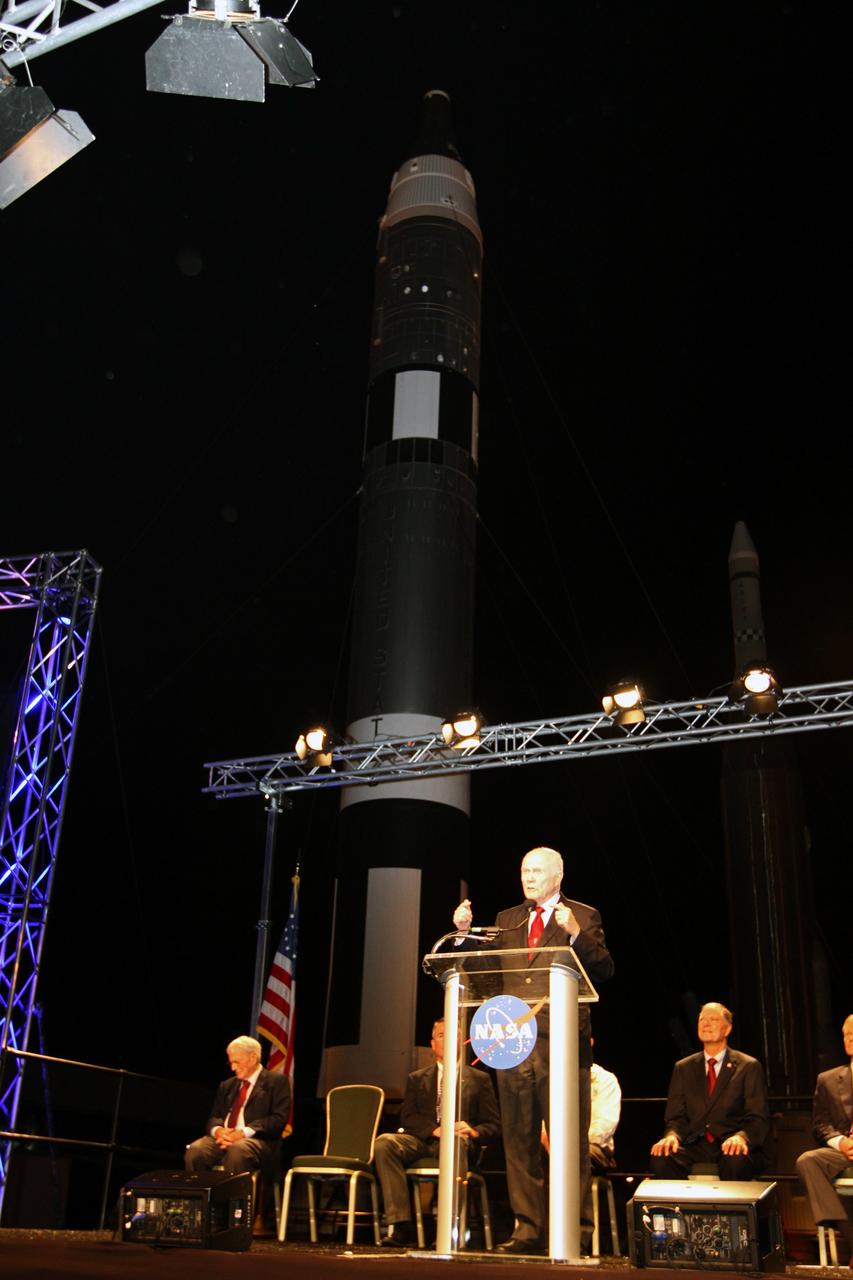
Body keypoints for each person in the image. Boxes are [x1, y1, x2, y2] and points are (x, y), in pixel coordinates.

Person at [453, 845, 614, 1254]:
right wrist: (464, 935)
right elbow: (486, 971)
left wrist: (575, 932)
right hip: (513, 1044)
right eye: (524, 870)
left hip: (562, 1045)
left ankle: (574, 1231)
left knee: (567, 1141)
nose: (528, 877)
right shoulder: (507, 919)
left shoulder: (582, 914)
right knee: (519, 1141)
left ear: (558, 876)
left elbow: (604, 970)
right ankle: (527, 1230)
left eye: (537, 871)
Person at [374, 1018, 501, 1247]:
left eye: (453, 1035)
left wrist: (473, 1131)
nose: (448, 1040)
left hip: (460, 1145)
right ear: (433, 1044)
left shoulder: (479, 1080)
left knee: (455, 1144)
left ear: (462, 1042)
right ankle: (401, 1225)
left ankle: (449, 1226)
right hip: (426, 1140)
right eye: (442, 1035)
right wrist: (434, 1130)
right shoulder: (417, 1078)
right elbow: (408, 1117)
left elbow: (493, 1126)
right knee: (385, 1143)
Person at [649, 1002, 769, 1179]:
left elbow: (757, 1116)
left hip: (730, 1142)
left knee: (735, 1160)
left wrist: (741, 1137)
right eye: (701, 1019)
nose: (705, 1023)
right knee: (661, 1158)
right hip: (694, 1144)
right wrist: (672, 1136)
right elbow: (676, 1117)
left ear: (727, 1029)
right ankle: (680, 1207)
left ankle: (729, 1208)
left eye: (713, 1019)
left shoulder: (748, 1066)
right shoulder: (683, 1068)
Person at [185, 1035, 291, 1177]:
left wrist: (242, 1133)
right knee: (195, 1150)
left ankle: (233, 1199)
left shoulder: (276, 1082)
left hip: (258, 1141)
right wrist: (218, 1131)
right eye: (231, 1063)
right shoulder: (227, 1085)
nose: (233, 1068)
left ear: (252, 1058)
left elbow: (278, 1119)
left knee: (237, 1150)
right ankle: (201, 1198)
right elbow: (214, 1116)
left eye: (237, 1062)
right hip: (223, 1139)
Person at [796, 1014, 853, 1266]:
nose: (850, 1038)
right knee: (808, 1161)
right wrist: (841, 1142)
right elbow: (820, 1125)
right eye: (846, 1034)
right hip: (844, 1150)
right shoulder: (828, 1079)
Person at [589, 1049, 621, 1172]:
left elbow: (603, 1127)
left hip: (594, 1147)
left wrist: (566, 1144)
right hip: (549, 1143)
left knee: (573, 1156)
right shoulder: (549, 1075)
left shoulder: (604, 1079)